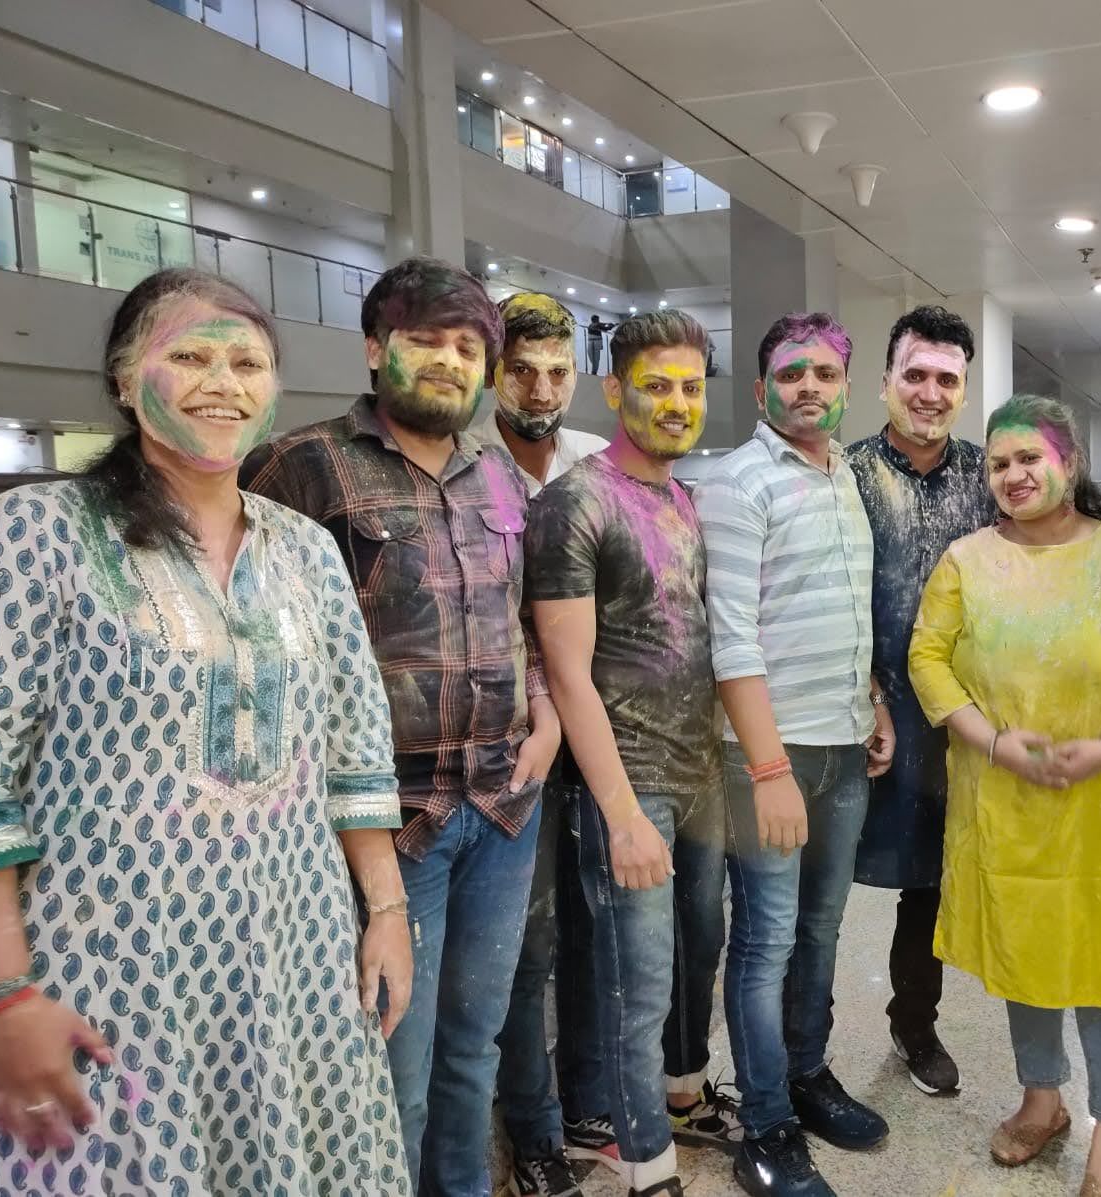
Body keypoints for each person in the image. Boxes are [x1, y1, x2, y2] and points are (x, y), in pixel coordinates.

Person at [0, 268, 411, 1194]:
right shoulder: (37, 532)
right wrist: (2, 992)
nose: (223, 382)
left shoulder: (306, 549)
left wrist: (386, 911)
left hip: (295, 950)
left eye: (247, 362)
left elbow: (355, 746)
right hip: (108, 968)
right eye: (191, 357)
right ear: (126, 380)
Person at [241, 257, 561, 1195]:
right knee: (392, 1067)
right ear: (376, 348)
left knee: (474, 1047)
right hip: (384, 823)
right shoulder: (303, 465)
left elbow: (529, 618)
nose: (450, 361)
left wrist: (545, 718)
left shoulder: (500, 476)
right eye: (426, 340)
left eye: (467, 346)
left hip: (503, 806)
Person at [909, 395, 1101, 1197]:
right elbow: (928, 659)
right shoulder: (966, 560)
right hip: (1005, 796)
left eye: (1030, 457)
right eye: (999, 463)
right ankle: (1042, 1098)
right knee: (1024, 948)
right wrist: (995, 742)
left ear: (1069, 462)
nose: (1013, 474)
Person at [527, 309, 733, 1197]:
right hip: (626, 781)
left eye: (691, 387)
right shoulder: (577, 502)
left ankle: (659, 1108)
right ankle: (647, 1165)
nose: (678, 403)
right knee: (634, 985)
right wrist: (619, 813)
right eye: (657, 386)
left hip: (697, 773)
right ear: (614, 391)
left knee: (694, 957)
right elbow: (567, 673)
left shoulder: (682, 497)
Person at [695, 312, 895, 1197]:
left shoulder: (844, 472)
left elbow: (845, 606)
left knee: (820, 928)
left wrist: (873, 700)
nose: (808, 386)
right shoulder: (739, 481)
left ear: (846, 387)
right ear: (761, 387)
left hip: (843, 747)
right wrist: (769, 766)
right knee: (766, 939)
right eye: (790, 373)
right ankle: (766, 1121)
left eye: (823, 373)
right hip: (765, 757)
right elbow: (731, 635)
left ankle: (808, 1074)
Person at [845, 304, 992, 1096]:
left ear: (963, 389)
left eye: (946, 379)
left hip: (952, 719)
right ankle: (803, 1048)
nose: (930, 393)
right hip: (851, 711)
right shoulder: (843, 474)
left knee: (929, 881)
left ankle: (915, 1022)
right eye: (915, 375)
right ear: (885, 382)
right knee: (817, 881)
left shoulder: (989, 477)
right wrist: (866, 690)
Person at [482, 291, 608, 1197]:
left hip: (598, 727)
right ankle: (533, 1128)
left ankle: (587, 1097)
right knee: (525, 947)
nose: (540, 387)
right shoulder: (466, 465)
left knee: (594, 926)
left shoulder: (597, 463)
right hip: (511, 737)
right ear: (496, 372)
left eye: (557, 371)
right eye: (522, 369)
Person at [479, 291, 608, 495]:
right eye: (522, 370)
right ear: (489, 373)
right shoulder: (458, 465)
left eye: (558, 372)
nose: (542, 395)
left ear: (575, 373)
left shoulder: (600, 460)